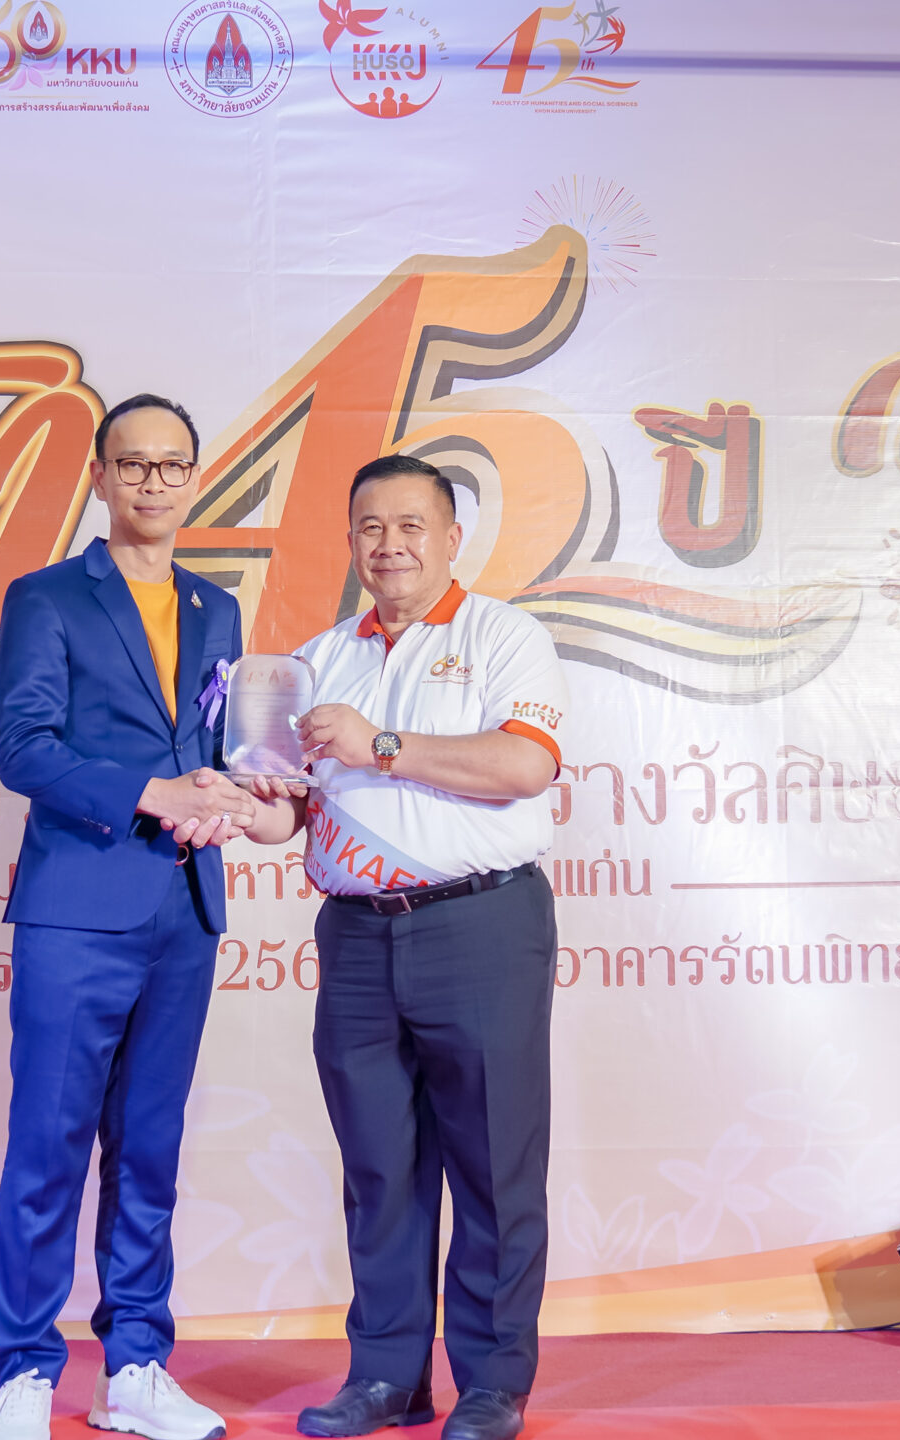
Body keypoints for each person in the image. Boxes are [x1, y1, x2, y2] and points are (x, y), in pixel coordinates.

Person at [230, 454, 569, 1440]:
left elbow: (523, 764)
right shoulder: (317, 659)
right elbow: (287, 813)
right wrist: (242, 801)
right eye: (370, 528)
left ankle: (492, 1383)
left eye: (411, 525)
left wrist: (379, 743)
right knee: (379, 1168)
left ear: (452, 537)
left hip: (481, 924)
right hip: (357, 938)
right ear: (350, 543)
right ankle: (386, 1377)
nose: (390, 545)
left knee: (495, 1164)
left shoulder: (503, 635)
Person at [0, 394, 259, 1440]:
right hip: (77, 908)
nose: (152, 481)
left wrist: (231, 795)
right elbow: (24, 748)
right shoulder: (46, 597)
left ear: (195, 478)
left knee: (150, 1149)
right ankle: (24, 1371)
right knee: (47, 1145)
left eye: (171, 464)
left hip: (184, 905)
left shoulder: (216, 609)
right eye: (132, 464)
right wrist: (153, 793)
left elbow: (218, 750)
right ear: (98, 477)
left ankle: (136, 1364)